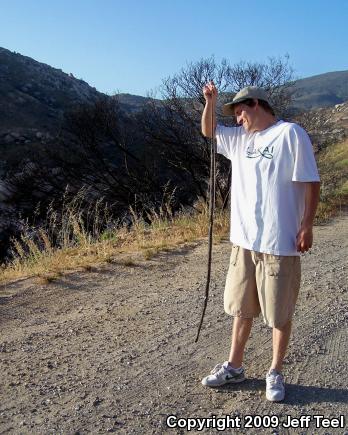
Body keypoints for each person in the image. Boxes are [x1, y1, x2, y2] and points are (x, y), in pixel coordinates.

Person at [200, 83, 321, 401]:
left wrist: (306, 225)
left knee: (279, 313)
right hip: (244, 241)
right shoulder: (240, 139)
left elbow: (311, 183)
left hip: (279, 242)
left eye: (239, 111)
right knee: (241, 308)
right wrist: (210, 102)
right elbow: (209, 130)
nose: (237, 119)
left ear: (255, 104)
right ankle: (235, 367)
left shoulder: (290, 134)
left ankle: (275, 371)